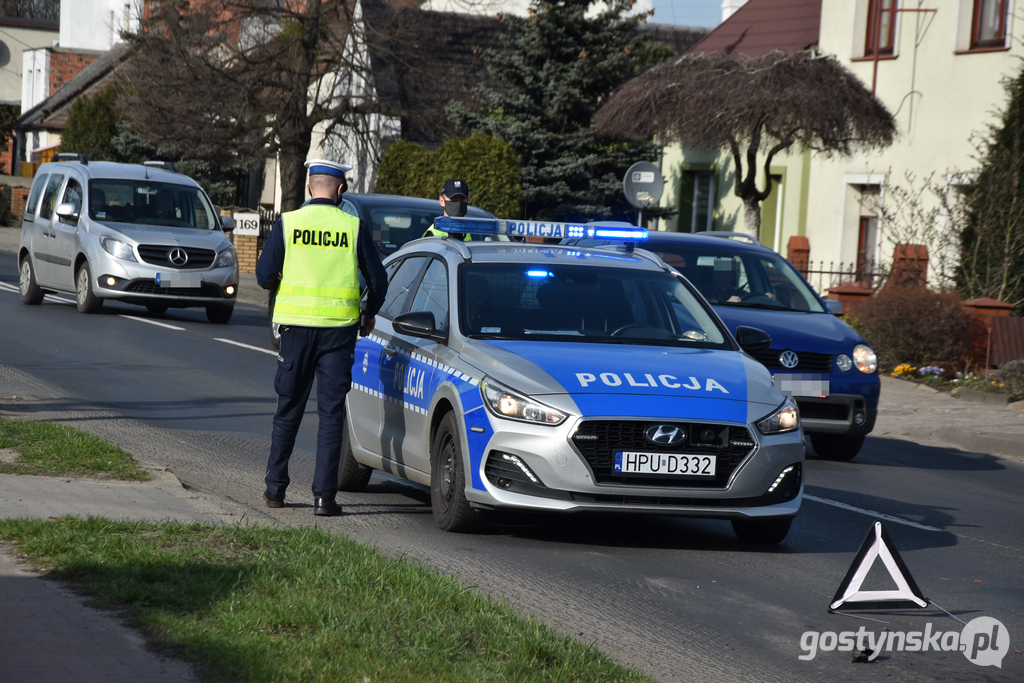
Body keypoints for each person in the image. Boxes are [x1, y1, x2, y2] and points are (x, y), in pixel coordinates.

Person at [256, 159, 388, 516]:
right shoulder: (353, 226)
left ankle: (275, 491)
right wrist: (369, 312)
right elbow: (378, 281)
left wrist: (278, 281)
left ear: (310, 188)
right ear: (340, 190)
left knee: (288, 411)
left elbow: (263, 274)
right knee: (330, 416)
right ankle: (324, 499)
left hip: (295, 333)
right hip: (339, 334)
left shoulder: (289, 223)